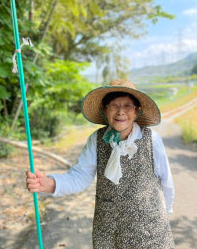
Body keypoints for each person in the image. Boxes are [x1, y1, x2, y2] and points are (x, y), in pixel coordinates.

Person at [26, 79, 175, 249]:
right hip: (108, 232)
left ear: (137, 111)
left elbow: (167, 181)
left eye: (127, 106)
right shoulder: (96, 140)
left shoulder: (151, 140)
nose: (120, 112)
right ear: (105, 109)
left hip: (149, 231)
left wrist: (166, 212)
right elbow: (80, 176)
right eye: (114, 105)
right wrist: (50, 183)